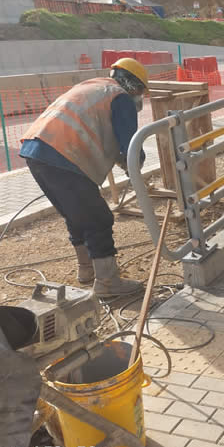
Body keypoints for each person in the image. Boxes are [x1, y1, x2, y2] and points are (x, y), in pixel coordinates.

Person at [19, 58, 149, 295]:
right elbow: (130, 144)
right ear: (134, 85)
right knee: (98, 218)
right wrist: (136, 166)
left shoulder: (92, 86)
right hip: (64, 155)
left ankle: (87, 269)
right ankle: (108, 283)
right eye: (141, 92)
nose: (140, 98)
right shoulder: (120, 97)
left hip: (36, 151)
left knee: (76, 215)